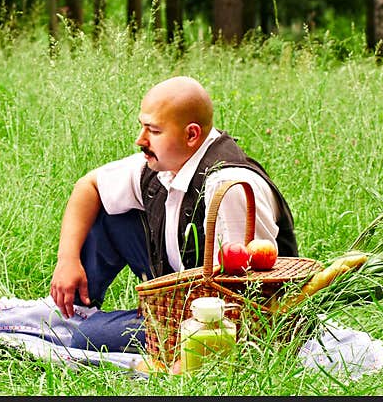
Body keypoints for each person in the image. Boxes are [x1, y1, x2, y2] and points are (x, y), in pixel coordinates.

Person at [50, 76, 297, 351]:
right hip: (185, 289)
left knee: (90, 337)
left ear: (191, 135)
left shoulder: (228, 188)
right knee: (109, 210)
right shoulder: (166, 163)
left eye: (153, 131)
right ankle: (74, 309)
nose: (140, 139)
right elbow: (89, 185)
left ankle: (102, 327)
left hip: (221, 320)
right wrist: (67, 260)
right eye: (142, 126)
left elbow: (247, 297)